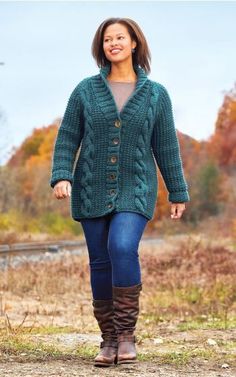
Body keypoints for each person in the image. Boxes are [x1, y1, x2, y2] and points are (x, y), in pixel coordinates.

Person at [50, 17, 190, 367]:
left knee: (122, 247)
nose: (113, 43)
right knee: (99, 261)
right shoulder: (85, 90)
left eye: (120, 37)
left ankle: (126, 335)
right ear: (102, 47)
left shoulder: (157, 94)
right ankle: (108, 340)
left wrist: (178, 191)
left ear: (134, 44)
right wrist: (61, 175)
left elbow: (166, 146)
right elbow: (68, 135)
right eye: (107, 39)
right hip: (91, 187)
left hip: (136, 187)